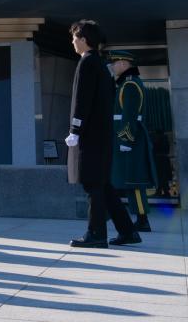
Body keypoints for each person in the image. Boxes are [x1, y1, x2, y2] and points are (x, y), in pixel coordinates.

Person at [65, 20, 140, 248]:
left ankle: (96, 234)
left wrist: (75, 129)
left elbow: (82, 100)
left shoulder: (87, 63)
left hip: (91, 135)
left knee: (92, 185)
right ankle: (128, 231)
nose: (73, 42)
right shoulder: (99, 64)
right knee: (104, 185)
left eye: (75, 38)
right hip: (102, 134)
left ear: (84, 40)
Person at [107, 50, 157, 233]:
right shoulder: (126, 84)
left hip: (130, 140)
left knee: (134, 181)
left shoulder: (130, 85)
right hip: (125, 139)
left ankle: (142, 219)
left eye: (114, 63)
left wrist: (126, 140)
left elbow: (129, 115)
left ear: (123, 64)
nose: (112, 67)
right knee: (124, 180)